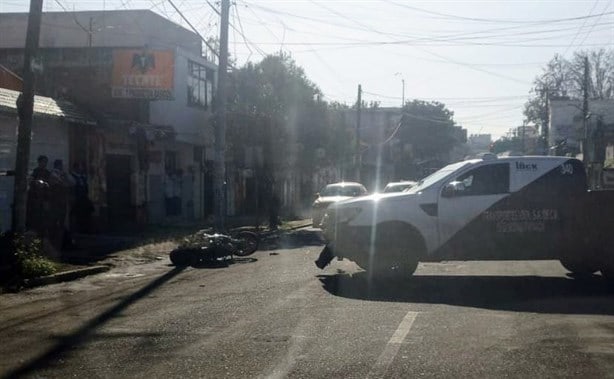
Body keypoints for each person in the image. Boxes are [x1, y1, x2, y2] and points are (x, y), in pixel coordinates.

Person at [48, 159, 73, 250]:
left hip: (62, 200)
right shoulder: (53, 174)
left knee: (61, 219)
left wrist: (64, 176)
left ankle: (60, 240)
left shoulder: (63, 174)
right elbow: (59, 182)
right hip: (55, 200)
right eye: (61, 165)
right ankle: (54, 240)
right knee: (55, 220)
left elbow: (72, 183)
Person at [26, 155, 51, 233]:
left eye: (45, 162)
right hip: (35, 198)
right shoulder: (35, 172)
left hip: (44, 197)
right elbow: (32, 183)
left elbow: (49, 184)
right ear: (39, 162)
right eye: (43, 162)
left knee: (44, 216)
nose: (44, 164)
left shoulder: (47, 173)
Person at [70, 162, 93, 233]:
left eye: (82, 167)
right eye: (80, 167)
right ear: (76, 168)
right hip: (77, 198)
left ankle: (85, 228)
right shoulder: (72, 176)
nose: (81, 169)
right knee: (77, 214)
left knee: (86, 213)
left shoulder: (83, 177)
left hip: (84, 198)